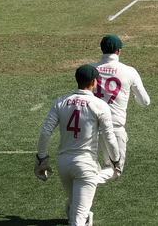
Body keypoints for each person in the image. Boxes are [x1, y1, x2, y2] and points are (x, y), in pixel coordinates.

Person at [35, 64, 122, 226]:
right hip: (85, 166)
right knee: (78, 220)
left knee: (76, 208)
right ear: (94, 82)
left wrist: (42, 158)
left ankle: (75, 210)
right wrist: (116, 160)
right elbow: (109, 137)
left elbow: (45, 132)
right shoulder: (100, 105)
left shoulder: (61, 102)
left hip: (63, 164)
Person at [92, 34, 151, 181]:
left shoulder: (91, 69)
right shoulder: (129, 71)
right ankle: (87, 184)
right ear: (118, 51)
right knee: (115, 171)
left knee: (88, 168)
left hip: (90, 128)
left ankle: (85, 185)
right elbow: (145, 101)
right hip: (114, 128)